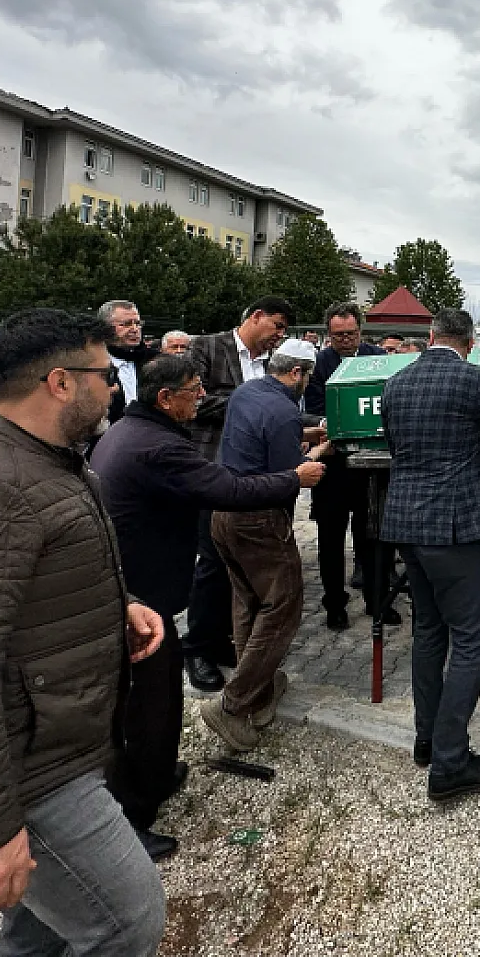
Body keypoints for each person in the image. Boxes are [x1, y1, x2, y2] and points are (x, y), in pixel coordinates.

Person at [0, 308, 168, 951]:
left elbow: (19, 587)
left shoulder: (45, 462)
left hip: (60, 742)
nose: (115, 388)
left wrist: (115, 607)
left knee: (41, 931)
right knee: (127, 921)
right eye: (104, 375)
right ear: (62, 383)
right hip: (31, 770)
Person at [91, 353, 306, 851]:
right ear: (166, 398)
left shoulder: (132, 431)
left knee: (160, 693)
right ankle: (131, 819)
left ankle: (156, 774)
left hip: (140, 589)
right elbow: (226, 487)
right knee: (142, 703)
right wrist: (297, 477)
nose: (202, 397)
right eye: (194, 389)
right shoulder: (157, 445)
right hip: (139, 595)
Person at [379, 308, 480, 800]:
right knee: (471, 639)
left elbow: (395, 446)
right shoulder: (477, 380)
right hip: (454, 525)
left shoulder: (395, 383)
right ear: (470, 343)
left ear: (430, 336)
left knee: (428, 631)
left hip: (406, 523)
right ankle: (450, 762)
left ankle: (427, 738)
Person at [203, 342, 331, 753]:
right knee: (282, 608)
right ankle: (232, 704)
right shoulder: (283, 410)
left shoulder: (247, 392)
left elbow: (264, 439)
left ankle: (258, 693)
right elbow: (286, 476)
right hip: (259, 520)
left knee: (248, 603)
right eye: (307, 376)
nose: (307, 383)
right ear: (296, 373)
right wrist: (317, 457)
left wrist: (307, 435)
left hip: (223, 514)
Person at [183, 296, 294, 690]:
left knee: (242, 567)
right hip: (213, 471)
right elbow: (194, 402)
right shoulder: (207, 347)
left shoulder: (269, 363)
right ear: (256, 316)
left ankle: (224, 638)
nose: (279, 336)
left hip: (257, 479)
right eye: (277, 326)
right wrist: (252, 401)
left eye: (284, 331)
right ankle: (197, 647)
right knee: (213, 564)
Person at [303, 301, 397, 632]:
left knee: (373, 537)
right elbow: (313, 409)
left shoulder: (379, 358)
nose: (345, 340)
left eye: (351, 333)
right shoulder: (318, 364)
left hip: (372, 465)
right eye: (338, 335)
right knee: (330, 539)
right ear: (328, 335)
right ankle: (334, 604)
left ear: (361, 331)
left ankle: (377, 599)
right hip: (333, 466)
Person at [99, 299, 160, 422]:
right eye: (126, 324)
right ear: (106, 328)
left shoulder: (156, 361)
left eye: (137, 323)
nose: (135, 329)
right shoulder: (92, 363)